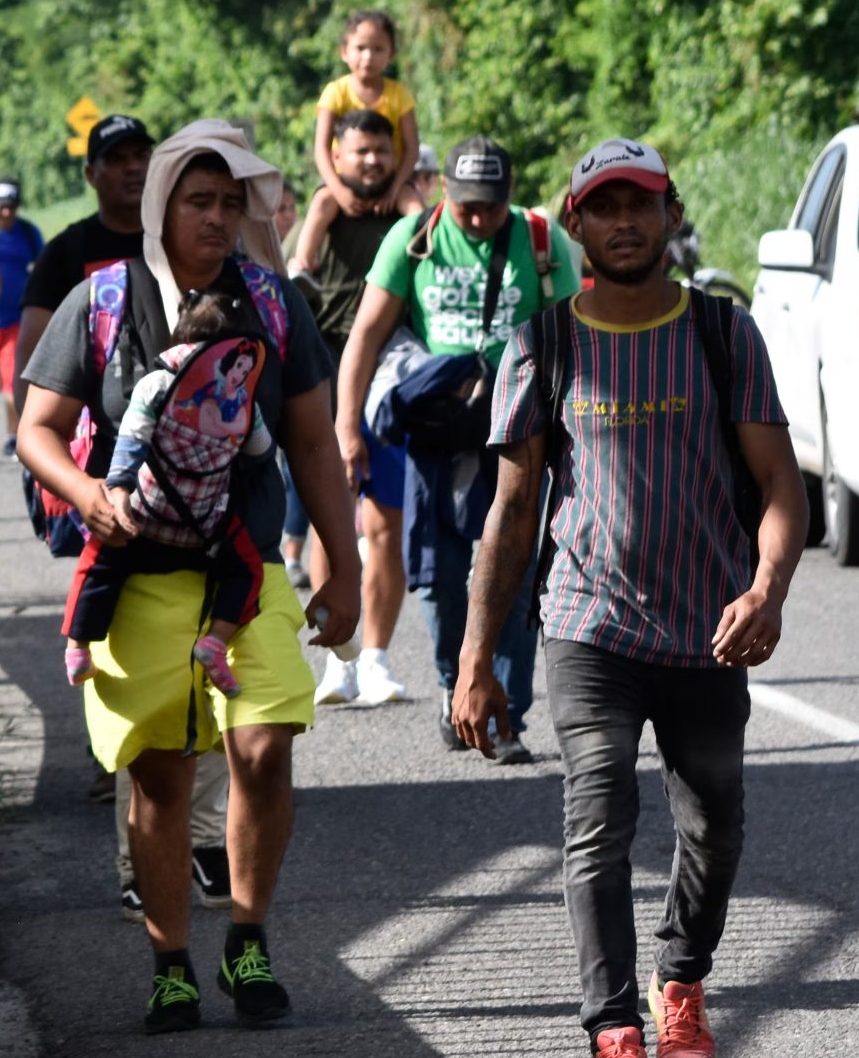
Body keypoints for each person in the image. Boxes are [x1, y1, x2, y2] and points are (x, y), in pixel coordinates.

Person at [453, 138, 804, 1058]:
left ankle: (679, 988)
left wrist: (767, 587)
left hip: (708, 628)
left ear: (668, 214)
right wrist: (478, 657)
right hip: (586, 623)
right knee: (597, 809)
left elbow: (779, 487)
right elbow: (512, 513)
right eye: (603, 205)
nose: (623, 222)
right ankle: (613, 1031)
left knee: (714, 826)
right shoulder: (544, 342)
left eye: (640, 204)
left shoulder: (722, 335)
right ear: (574, 221)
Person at [16, 122, 361, 1033]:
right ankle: (172, 963)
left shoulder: (274, 304)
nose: (216, 218)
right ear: (160, 206)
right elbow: (35, 429)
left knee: (264, 742)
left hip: (244, 573)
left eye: (230, 203)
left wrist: (345, 568)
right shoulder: (99, 302)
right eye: (197, 202)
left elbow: (313, 446)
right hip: (137, 576)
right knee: (162, 779)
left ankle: (247, 939)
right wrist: (88, 494)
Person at [336, 134, 580, 759]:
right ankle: (457, 690)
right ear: (443, 188)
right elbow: (365, 335)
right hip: (438, 429)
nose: (477, 218)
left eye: (490, 207)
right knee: (438, 575)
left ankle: (506, 714)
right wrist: (346, 427)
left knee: (517, 572)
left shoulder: (541, 240)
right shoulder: (411, 239)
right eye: (467, 206)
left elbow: (576, 337)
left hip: (521, 427)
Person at [64, 292, 278, 697]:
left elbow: (131, 442)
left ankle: (78, 647)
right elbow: (261, 451)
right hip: (206, 526)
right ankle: (216, 641)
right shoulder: (242, 403)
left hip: (142, 516)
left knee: (98, 561)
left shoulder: (155, 383)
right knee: (247, 570)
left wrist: (120, 493)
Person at [291, 108, 413, 707]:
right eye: (358, 152)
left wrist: (410, 195)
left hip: (391, 380)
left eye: (380, 152)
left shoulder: (410, 211)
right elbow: (296, 274)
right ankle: (335, 660)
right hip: (326, 377)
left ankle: (377, 658)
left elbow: (436, 234)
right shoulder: (325, 208)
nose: (370, 162)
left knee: (387, 524)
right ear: (336, 157)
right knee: (328, 519)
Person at [13, 116, 153, 384]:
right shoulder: (64, 252)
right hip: (93, 419)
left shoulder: (179, 240)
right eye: (116, 159)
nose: (133, 167)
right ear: (91, 175)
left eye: (141, 156)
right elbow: (30, 358)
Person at [311, 9, 422, 218]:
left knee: (415, 208)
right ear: (344, 52)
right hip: (344, 178)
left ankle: (432, 249)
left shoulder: (400, 95)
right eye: (360, 48)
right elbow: (321, 149)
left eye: (378, 49)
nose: (368, 56)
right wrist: (339, 190)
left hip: (389, 178)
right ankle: (304, 253)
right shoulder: (335, 93)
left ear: (391, 55)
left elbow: (412, 149)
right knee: (320, 203)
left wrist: (394, 189)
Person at [0, 178, 45, 425]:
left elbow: (44, 270)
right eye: (2, 206)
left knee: (12, 382)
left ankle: (12, 435)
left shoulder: (28, 233)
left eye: (12, 206)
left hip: (15, 322)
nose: (7, 212)